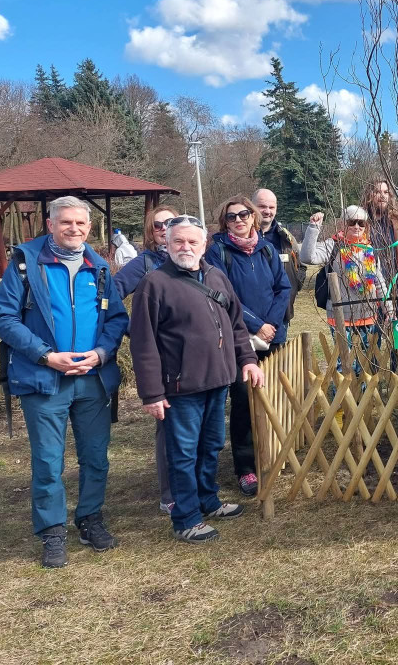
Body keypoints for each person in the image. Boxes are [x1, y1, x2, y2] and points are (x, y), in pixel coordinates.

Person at [0, 196, 129, 568]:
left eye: (81, 224)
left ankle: (90, 519)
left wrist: (101, 353)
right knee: (49, 461)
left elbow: (117, 319)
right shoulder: (25, 264)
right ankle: (52, 531)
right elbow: (2, 319)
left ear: (89, 227)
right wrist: (46, 356)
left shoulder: (98, 267)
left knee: (96, 458)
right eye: (65, 222)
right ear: (50, 224)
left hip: (92, 378)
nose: (74, 229)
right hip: (43, 379)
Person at [130, 215, 264, 543]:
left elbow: (235, 325)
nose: (185, 247)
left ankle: (208, 499)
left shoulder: (216, 277)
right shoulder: (155, 284)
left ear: (204, 245)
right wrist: (151, 393)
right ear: (167, 243)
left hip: (218, 380)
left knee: (212, 444)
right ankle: (186, 516)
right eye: (178, 241)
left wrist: (247, 360)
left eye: (193, 241)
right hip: (180, 386)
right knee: (183, 452)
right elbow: (143, 342)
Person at [205, 195, 290, 496]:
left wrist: (272, 324)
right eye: (232, 217)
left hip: (273, 335)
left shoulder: (267, 249)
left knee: (275, 395)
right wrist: (256, 324)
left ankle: (273, 452)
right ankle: (245, 467)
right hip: (240, 338)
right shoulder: (217, 252)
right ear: (224, 221)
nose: (239, 220)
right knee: (243, 400)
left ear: (254, 217)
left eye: (244, 214)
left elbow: (284, 288)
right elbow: (223, 295)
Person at [113, 204, 179, 515]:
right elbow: (110, 295)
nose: (165, 229)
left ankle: (196, 484)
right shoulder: (144, 264)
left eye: (171, 223)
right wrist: (135, 331)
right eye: (158, 226)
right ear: (150, 233)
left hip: (194, 356)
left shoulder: (193, 257)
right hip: (163, 359)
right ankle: (170, 493)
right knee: (168, 427)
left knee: (196, 423)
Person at [300, 206, 393, 349]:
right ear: (343, 224)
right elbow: (307, 257)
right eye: (352, 222)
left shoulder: (370, 249)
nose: (357, 227)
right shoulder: (333, 245)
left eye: (361, 223)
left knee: (369, 364)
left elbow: (379, 282)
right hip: (340, 317)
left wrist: (389, 309)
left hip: (368, 316)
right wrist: (314, 228)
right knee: (345, 365)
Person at [253, 188, 306, 324]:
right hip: (251, 316)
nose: (267, 211)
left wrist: (293, 288)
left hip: (281, 314)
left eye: (271, 207)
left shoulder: (286, 238)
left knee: (282, 347)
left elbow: (300, 266)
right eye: (262, 206)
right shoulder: (243, 237)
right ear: (252, 207)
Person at [362, 178, 398, 304]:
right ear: (369, 195)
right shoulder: (361, 223)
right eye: (377, 191)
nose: (382, 195)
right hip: (372, 293)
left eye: (386, 192)